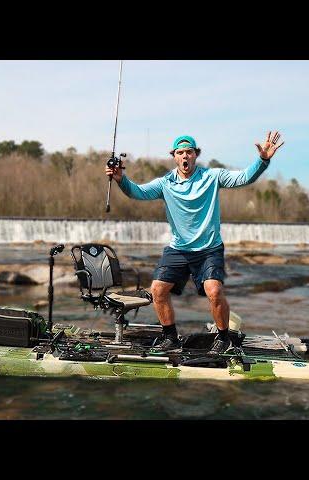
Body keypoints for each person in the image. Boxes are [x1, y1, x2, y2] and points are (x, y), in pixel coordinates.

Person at [105, 132, 284, 354]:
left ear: (196, 155)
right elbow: (138, 192)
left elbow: (244, 177)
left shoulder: (212, 176)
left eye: (189, 151)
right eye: (180, 153)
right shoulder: (165, 183)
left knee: (214, 291)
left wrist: (262, 160)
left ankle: (223, 337)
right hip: (178, 248)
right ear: (174, 157)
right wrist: (121, 179)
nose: (185, 156)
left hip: (209, 249)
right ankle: (170, 337)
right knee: (158, 290)